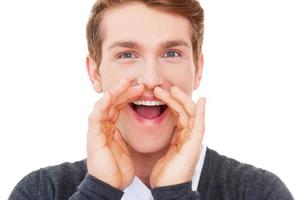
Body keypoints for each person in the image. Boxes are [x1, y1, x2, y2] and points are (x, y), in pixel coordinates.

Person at [8, 0, 294, 199]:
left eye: (171, 53)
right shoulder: (42, 191)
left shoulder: (257, 191)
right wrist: (99, 191)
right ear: (95, 73)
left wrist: (174, 194)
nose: (151, 78)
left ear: (198, 71)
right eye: (127, 55)